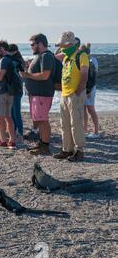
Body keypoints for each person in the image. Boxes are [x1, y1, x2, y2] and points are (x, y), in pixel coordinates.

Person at [53, 31, 89, 162]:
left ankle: (79, 150)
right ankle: (66, 149)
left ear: (70, 45)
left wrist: (79, 90)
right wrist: (61, 45)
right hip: (65, 94)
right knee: (65, 124)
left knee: (76, 124)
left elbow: (84, 74)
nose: (61, 48)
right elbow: (55, 55)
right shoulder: (67, 57)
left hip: (75, 94)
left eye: (63, 45)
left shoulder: (81, 55)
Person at [20, 34, 55, 156]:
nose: (31, 47)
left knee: (43, 120)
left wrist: (27, 75)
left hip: (42, 94)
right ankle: (42, 144)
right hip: (37, 94)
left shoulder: (46, 56)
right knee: (40, 120)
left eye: (32, 44)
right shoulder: (41, 56)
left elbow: (45, 75)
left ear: (40, 44)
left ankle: (45, 146)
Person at [80, 43, 101, 138]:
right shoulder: (91, 59)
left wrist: (88, 90)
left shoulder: (91, 61)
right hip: (87, 88)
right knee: (84, 108)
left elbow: (92, 77)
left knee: (90, 109)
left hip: (90, 88)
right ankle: (84, 130)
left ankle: (96, 132)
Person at [8, 44, 25, 144]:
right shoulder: (18, 60)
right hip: (16, 89)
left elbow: (18, 75)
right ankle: (15, 132)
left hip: (16, 89)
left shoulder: (16, 61)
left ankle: (20, 134)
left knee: (16, 112)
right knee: (13, 112)